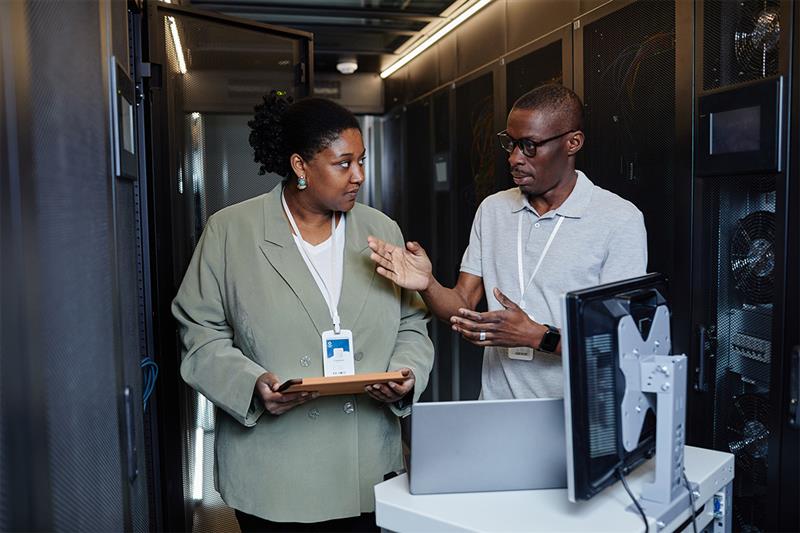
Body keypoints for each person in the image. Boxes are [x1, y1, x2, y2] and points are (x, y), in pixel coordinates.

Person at [172, 91, 434, 532]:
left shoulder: (380, 229)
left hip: (365, 469)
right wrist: (251, 384)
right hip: (274, 475)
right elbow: (199, 331)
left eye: (362, 161)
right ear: (300, 167)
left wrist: (405, 374)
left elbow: (412, 322)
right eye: (343, 163)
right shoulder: (230, 232)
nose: (359, 176)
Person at [368, 84, 646, 400]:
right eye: (511, 144)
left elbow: (621, 341)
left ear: (573, 142)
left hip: (578, 417)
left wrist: (538, 337)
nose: (514, 159)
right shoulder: (493, 210)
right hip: (497, 408)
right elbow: (462, 305)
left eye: (529, 146)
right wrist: (427, 284)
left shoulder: (619, 220)